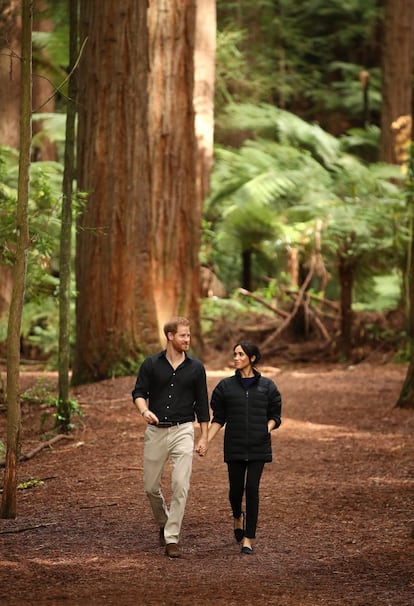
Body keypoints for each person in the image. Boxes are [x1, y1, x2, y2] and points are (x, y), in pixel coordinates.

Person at [131, 316, 210, 558]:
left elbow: (203, 406)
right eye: (183, 335)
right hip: (156, 431)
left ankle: (172, 538)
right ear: (170, 336)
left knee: (180, 485)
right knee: (150, 487)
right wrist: (144, 410)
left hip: (183, 430)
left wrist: (204, 437)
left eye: (189, 335)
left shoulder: (196, 368)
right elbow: (138, 392)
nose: (188, 339)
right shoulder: (151, 364)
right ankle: (164, 521)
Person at [207, 341, 282, 555]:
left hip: (258, 446)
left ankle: (248, 538)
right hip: (235, 445)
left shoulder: (268, 387)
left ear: (252, 358)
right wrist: (206, 440)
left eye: (241, 354)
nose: (236, 357)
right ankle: (237, 515)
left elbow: (276, 416)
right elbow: (218, 418)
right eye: (235, 354)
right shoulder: (225, 387)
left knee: (252, 490)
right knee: (235, 491)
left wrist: (266, 429)